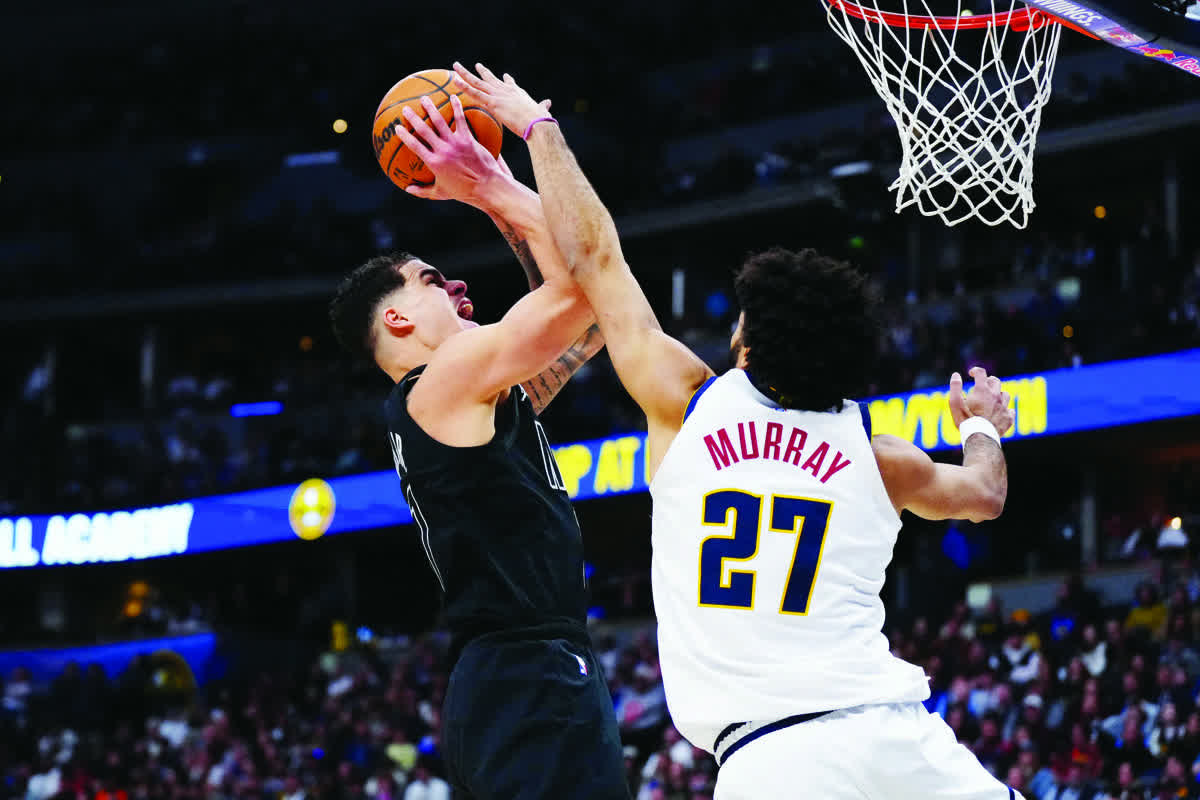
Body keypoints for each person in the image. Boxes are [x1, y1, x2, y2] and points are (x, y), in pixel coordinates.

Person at [455, 62, 1019, 800]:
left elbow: (596, 257)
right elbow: (984, 496)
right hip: (895, 737)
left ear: (747, 338)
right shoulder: (881, 457)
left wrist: (539, 129)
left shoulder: (687, 403)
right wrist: (982, 425)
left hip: (770, 758)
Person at [328, 94, 628, 799]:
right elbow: (583, 292)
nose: (459, 284)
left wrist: (497, 198)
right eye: (432, 281)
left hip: (516, 675)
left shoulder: (471, 399)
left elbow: (592, 321)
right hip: (524, 672)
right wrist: (494, 181)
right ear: (397, 320)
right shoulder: (443, 382)